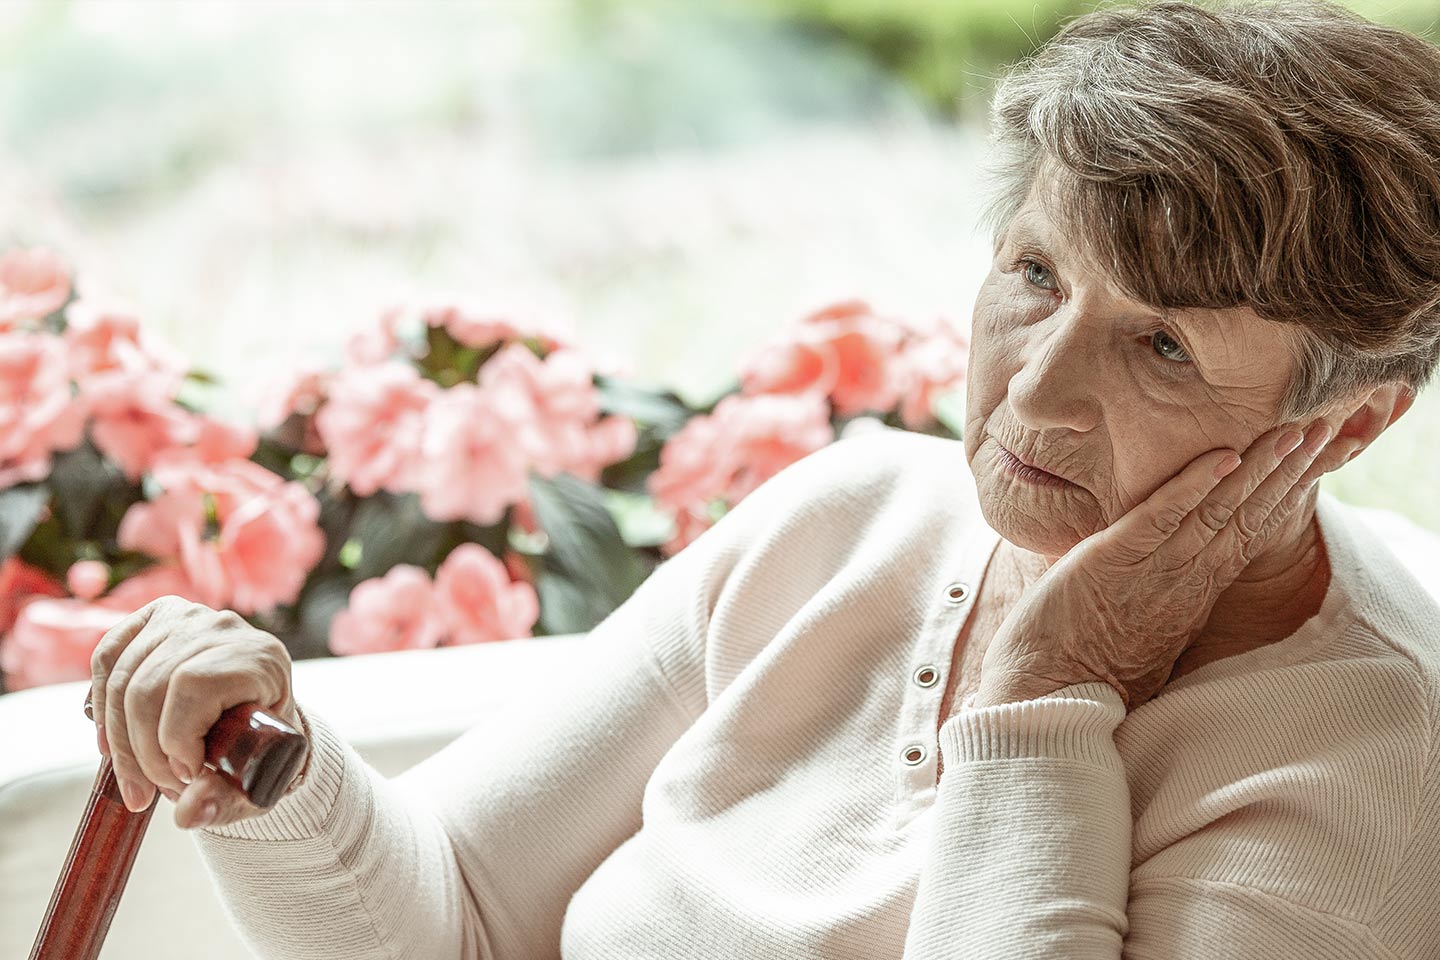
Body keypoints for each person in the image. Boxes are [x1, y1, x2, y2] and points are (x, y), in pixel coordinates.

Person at [86, 0, 1440, 956]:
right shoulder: (860, 518)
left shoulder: (1362, 782)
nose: (1033, 390)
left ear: (1353, 420)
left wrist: (1043, 698)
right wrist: (268, 754)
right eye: (1035, 274)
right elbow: (456, 917)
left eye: (1160, 344)